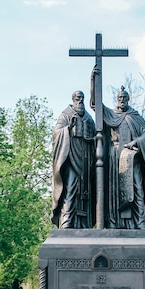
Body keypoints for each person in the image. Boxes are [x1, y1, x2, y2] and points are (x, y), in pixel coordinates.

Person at [91, 67, 145, 229]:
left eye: (124, 97)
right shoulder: (110, 114)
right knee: (114, 191)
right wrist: (93, 81)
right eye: (119, 97)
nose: (122, 100)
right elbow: (96, 105)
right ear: (116, 99)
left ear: (128, 98)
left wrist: (136, 142)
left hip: (132, 159)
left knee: (137, 188)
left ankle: (139, 223)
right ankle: (113, 223)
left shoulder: (135, 117)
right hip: (114, 157)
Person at [51, 90, 96, 229]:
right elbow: (56, 133)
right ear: (73, 99)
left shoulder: (89, 119)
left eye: (82, 98)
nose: (80, 101)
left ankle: (84, 223)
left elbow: (94, 137)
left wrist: (93, 140)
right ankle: (66, 222)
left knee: (85, 191)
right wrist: (68, 129)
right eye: (78, 98)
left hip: (86, 159)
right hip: (70, 157)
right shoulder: (65, 115)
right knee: (70, 188)